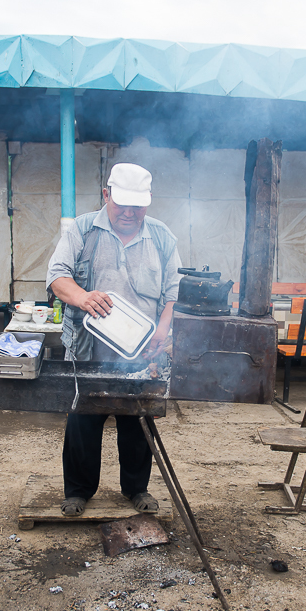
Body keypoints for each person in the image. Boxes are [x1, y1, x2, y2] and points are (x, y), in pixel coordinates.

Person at [46, 163, 182, 517]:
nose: (128, 212)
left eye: (137, 206)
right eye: (121, 203)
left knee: (138, 421)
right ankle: (78, 490)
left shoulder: (162, 236)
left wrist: (164, 327)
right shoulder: (83, 229)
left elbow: (173, 291)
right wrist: (81, 296)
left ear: (148, 203)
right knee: (83, 420)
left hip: (142, 352)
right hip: (89, 350)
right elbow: (57, 276)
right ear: (106, 194)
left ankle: (136, 488)